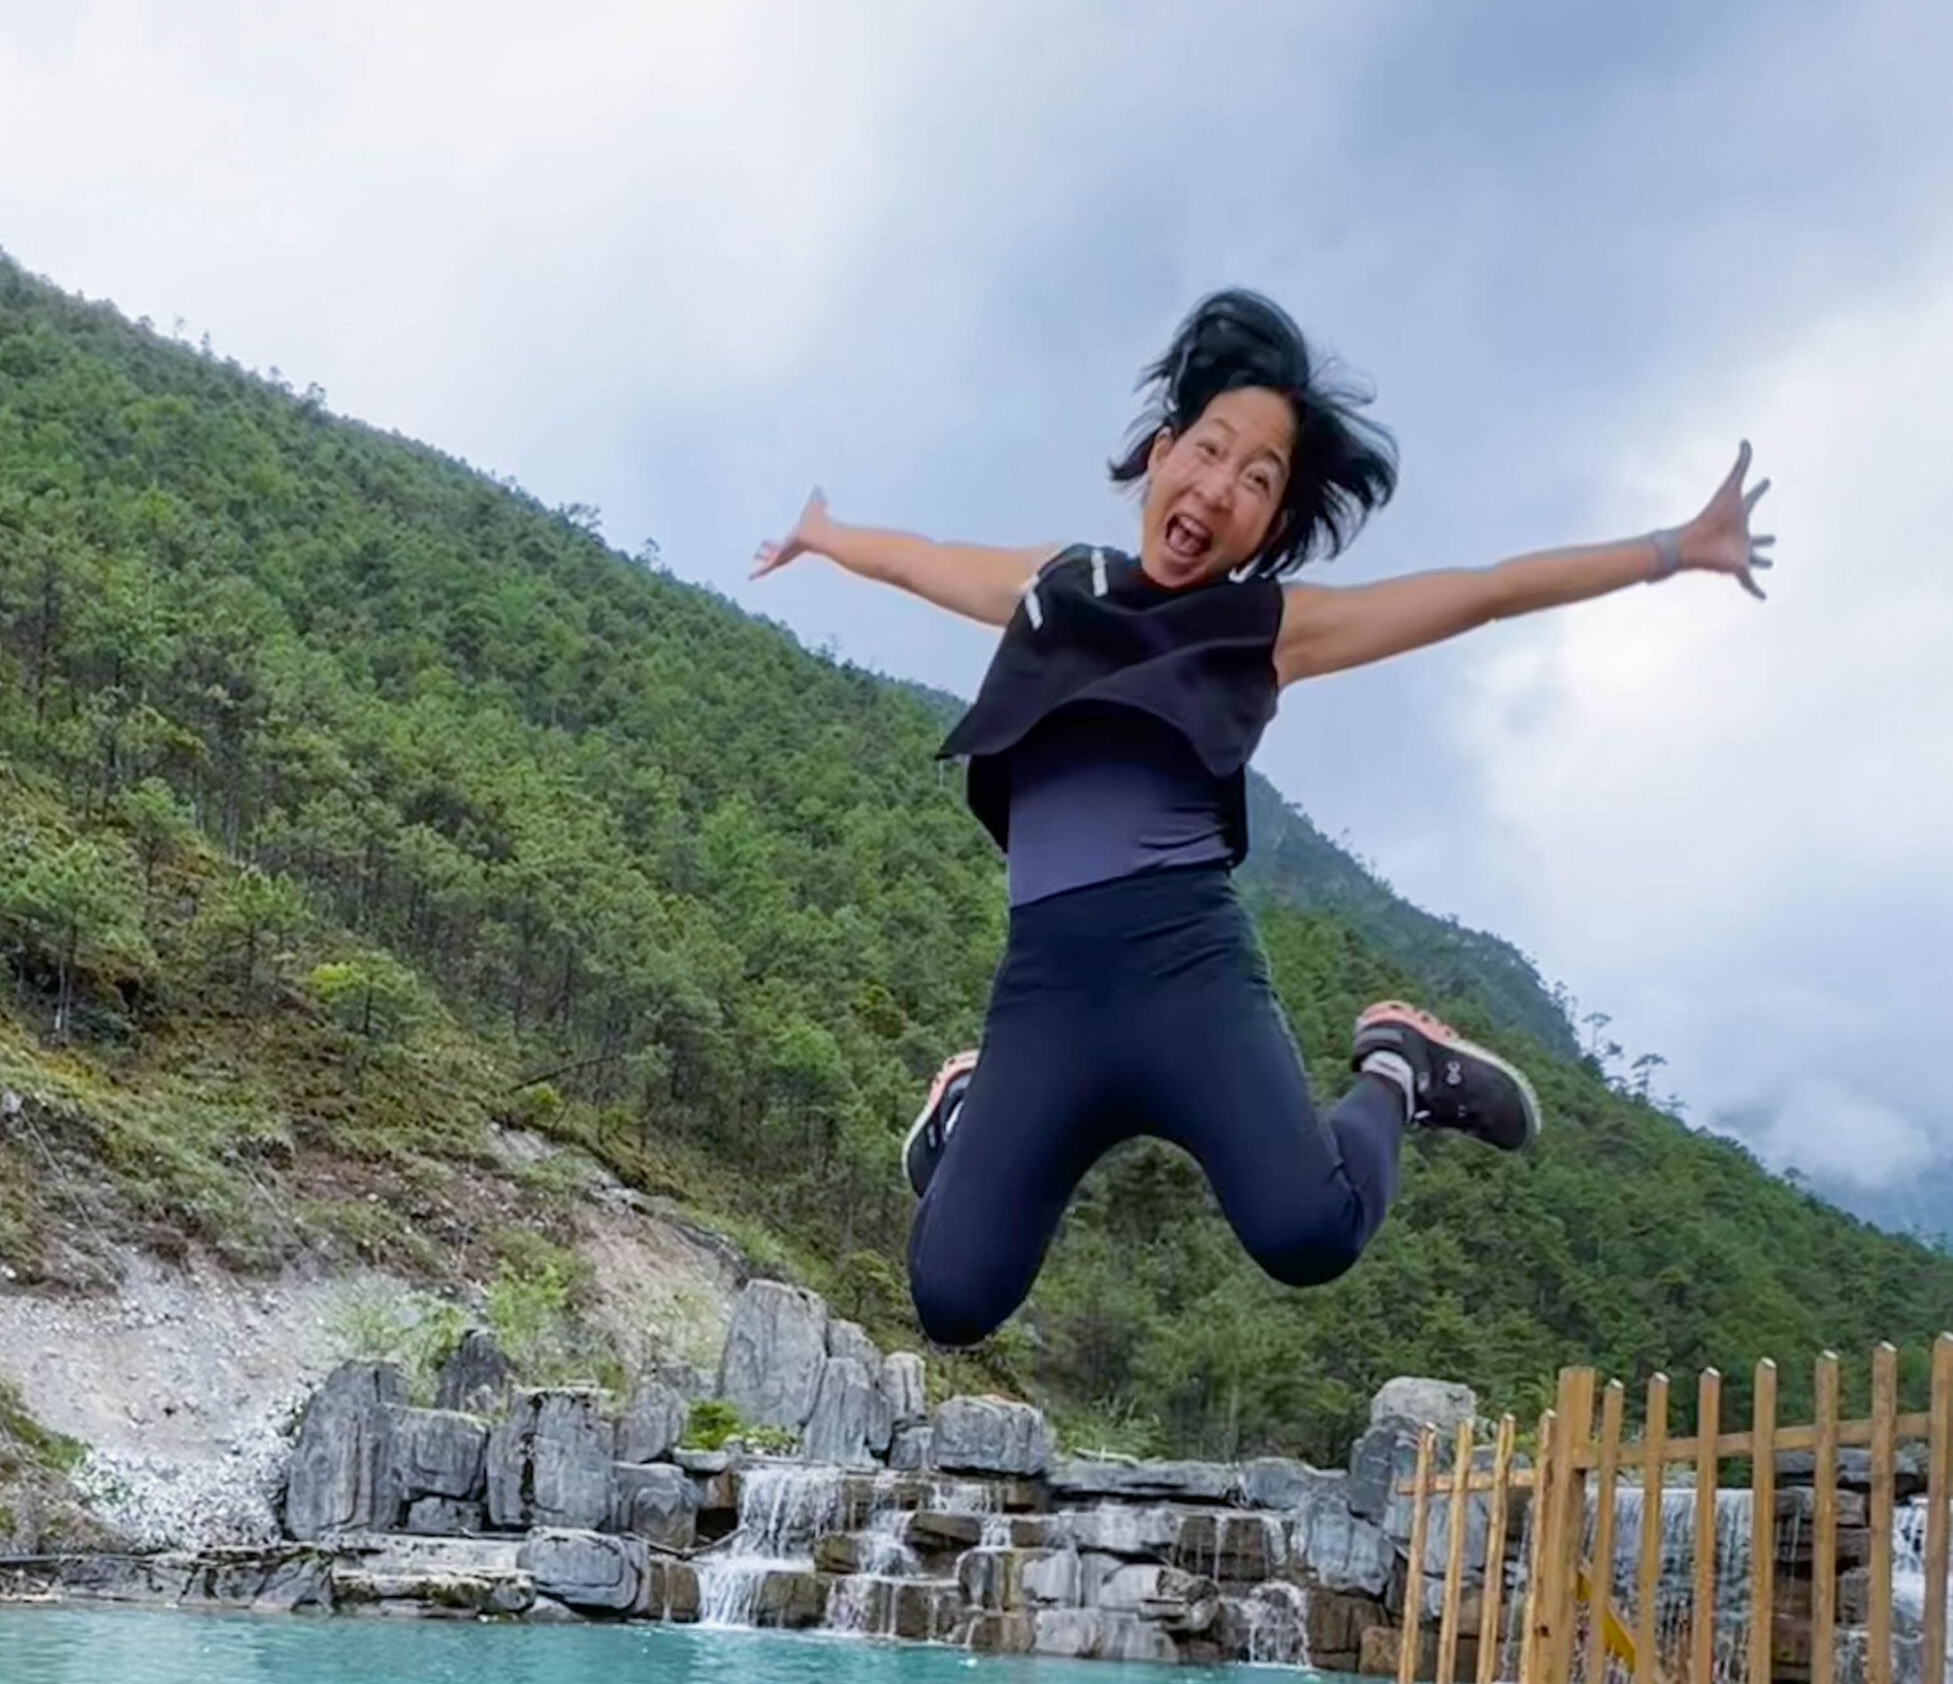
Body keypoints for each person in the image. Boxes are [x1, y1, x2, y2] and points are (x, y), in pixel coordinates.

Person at [749, 289, 1773, 1349]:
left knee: (1310, 1230)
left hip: (1185, 969)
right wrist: (824, 534)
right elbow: (920, 557)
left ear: (1273, 525)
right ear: (1160, 452)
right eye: (1211, 449)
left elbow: (1488, 590)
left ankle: (1399, 1068)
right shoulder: (1060, 585)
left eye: (1259, 478)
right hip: (1046, 988)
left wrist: (1671, 546)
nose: (1220, 487)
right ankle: (971, 1108)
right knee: (951, 1299)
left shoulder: (1267, 628)